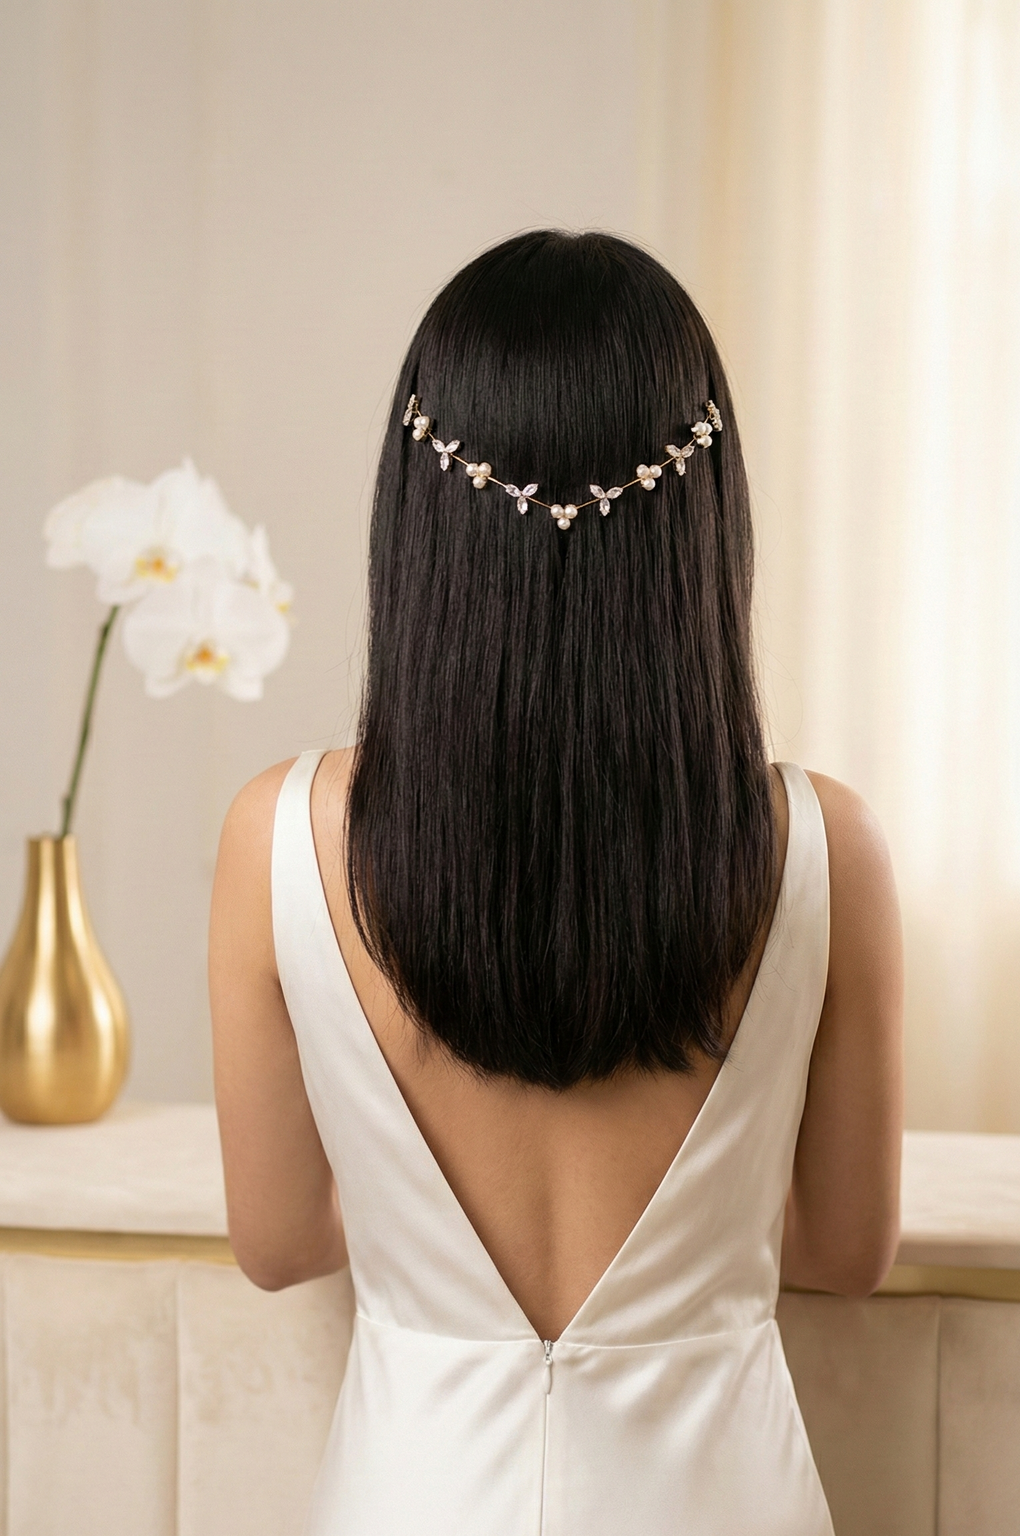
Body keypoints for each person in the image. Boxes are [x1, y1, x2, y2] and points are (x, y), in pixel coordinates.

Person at [209, 229, 903, 1535]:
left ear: (416, 518)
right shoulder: (826, 851)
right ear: (707, 517)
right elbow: (844, 1252)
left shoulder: (278, 837)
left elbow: (279, 1242)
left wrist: (432, 1227)